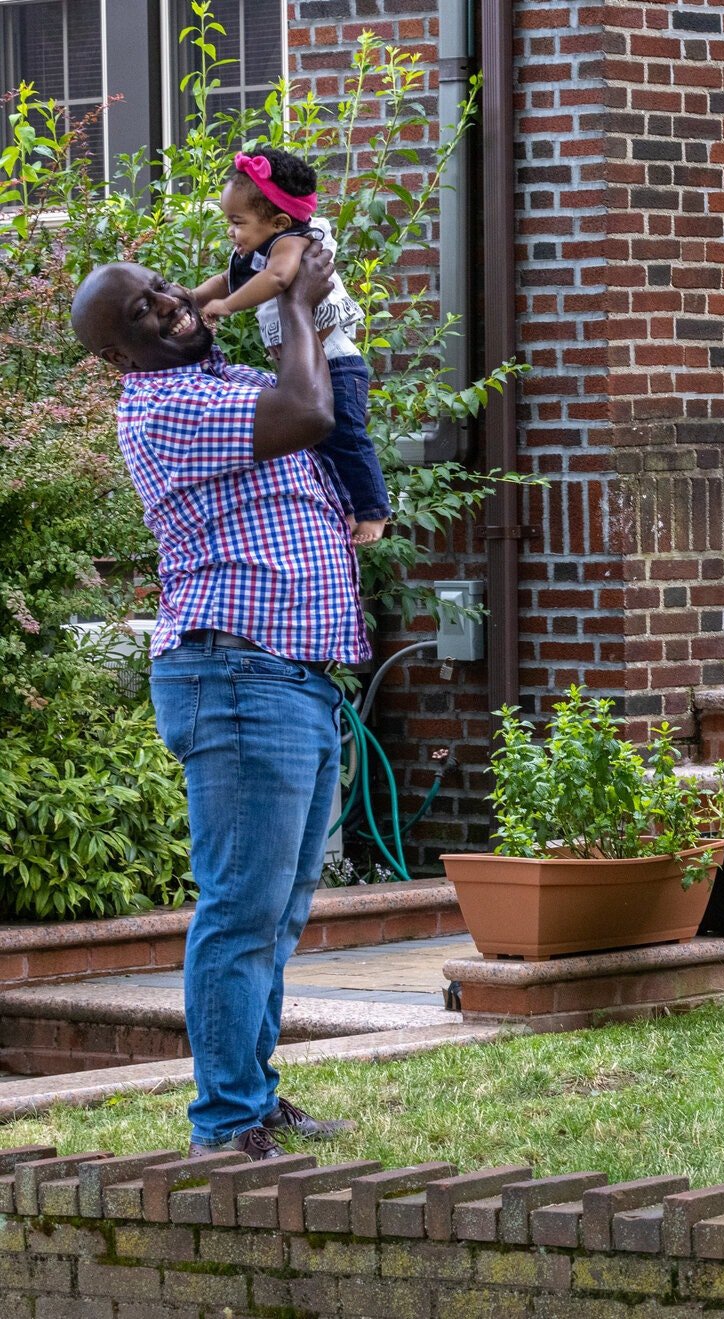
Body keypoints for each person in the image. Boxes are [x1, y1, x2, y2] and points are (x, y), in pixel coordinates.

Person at [71, 244, 364, 1160]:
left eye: (162, 288)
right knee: (241, 907)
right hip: (236, 675)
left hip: (290, 674)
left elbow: (326, 391)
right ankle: (226, 1120)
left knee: (276, 910)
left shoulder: (218, 379)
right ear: (120, 355)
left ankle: (252, 1094)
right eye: (141, 313)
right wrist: (301, 308)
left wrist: (282, 292)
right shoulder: (165, 408)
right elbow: (309, 409)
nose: (166, 306)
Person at [191, 146, 386, 546]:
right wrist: (190, 298)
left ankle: (372, 511)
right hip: (311, 367)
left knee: (346, 436)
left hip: (337, 365)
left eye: (237, 222)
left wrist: (226, 307)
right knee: (318, 443)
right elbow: (225, 280)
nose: (231, 232)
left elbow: (279, 280)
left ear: (278, 220)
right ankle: (345, 507)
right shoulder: (261, 247)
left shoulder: (295, 242)